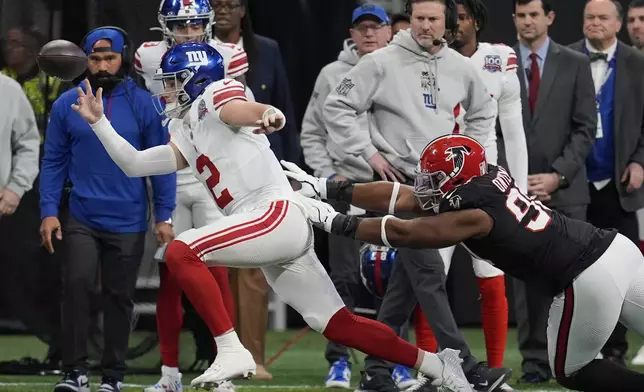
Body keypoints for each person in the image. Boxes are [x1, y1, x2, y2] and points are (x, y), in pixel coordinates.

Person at [72, 41, 475, 392]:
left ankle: (231, 349)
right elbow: (134, 164)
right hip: (271, 227)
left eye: (175, 80)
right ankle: (440, 367)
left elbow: (241, 108)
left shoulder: (214, 95)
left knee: (181, 251)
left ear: (196, 78)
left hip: (272, 212)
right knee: (339, 325)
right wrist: (101, 123)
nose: (168, 89)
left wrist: (268, 114)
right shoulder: (186, 127)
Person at [284, 133, 644, 392]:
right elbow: (407, 197)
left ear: (457, 180)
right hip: (617, 248)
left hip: (586, 276)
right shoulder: (484, 182)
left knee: (570, 372)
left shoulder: (477, 212)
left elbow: (407, 233)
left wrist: (331, 220)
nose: (426, 186)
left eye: (435, 180)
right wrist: (326, 188)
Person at [323, 1, 512, 391]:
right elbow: (337, 105)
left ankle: (376, 371)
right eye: (419, 18)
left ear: (450, 22)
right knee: (428, 272)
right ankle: (464, 365)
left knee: (406, 284)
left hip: (442, 186)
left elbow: (482, 114)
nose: (425, 26)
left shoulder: (462, 67)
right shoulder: (381, 61)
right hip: (397, 184)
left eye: (433, 19)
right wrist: (369, 152)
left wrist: (467, 157)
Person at [39, 27, 177, 392]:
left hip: (129, 218)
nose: (101, 66)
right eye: (95, 59)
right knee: (77, 286)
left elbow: (161, 162)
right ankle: (74, 373)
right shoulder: (67, 103)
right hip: (82, 214)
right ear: (84, 60)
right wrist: (49, 210)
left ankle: (112, 377)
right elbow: (52, 162)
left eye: (108, 58)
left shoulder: (146, 104)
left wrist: (164, 214)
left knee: (120, 297)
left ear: (124, 58)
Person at [134, 1, 249, 390]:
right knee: (171, 275)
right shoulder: (149, 56)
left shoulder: (229, 53)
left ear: (209, 23)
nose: (188, 31)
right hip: (170, 170)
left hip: (210, 174)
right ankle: (170, 375)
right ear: (165, 26)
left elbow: (235, 109)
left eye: (196, 23)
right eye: (180, 25)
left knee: (217, 272)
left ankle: (226, 367)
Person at [413, 2, 527, 387]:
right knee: (430, 276)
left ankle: (494, 371)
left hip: (484, 186)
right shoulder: (421, 60)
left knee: (491, 274)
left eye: (460, 17)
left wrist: (520, 191)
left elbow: (512, 131)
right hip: (438, 187)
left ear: (475, 21)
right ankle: (433, 372)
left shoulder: (498, 59)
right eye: (450, 17)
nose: (453, 25)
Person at [302, 4, 413, 390]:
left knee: (400, 276)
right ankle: (339, 362)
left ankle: (396, 361)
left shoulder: (402, 68)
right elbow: (312, 133)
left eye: (375, 27)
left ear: (389, 31)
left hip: (393, 188)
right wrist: (326, 175)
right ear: (351, 33)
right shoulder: (332, 74)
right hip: (347, 186)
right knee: (344, 278)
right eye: (360, 28)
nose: (368, 34)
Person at [211, 1, 301, 378]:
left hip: (260, 171)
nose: (224, 11)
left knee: (252, 269)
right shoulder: (196, 52)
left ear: (243, 9)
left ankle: (255, 359)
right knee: (217, 265)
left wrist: (292, 170)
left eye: (231, 4)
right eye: (216, 4)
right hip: (213, 170)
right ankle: (220, 353)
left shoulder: (267, 50)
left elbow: (283, 109)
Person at [511, 0, 597, 383]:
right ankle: (533, 361)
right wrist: (513, 178)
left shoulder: (575, 63)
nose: (527, 22)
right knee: (526, 279)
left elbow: (584, 127)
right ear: (513, 18)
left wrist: (556, 176)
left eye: (534, 14)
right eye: (521, 15)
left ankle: (574, 358)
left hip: (565, 191)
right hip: (513, 192)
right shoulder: (498, 63)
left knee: (572, 282)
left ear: (549, 18)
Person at [568, 0, 644, 367]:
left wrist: (640, 161)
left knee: (622, 272)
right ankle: (579, 348)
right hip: (573, 185)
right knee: (576, 271)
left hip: (619, 185)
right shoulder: (563, 59)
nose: (595, 23)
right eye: (589, 18)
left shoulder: (638, 63)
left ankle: (616, 348)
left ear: (618, 24)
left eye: (603, 18)